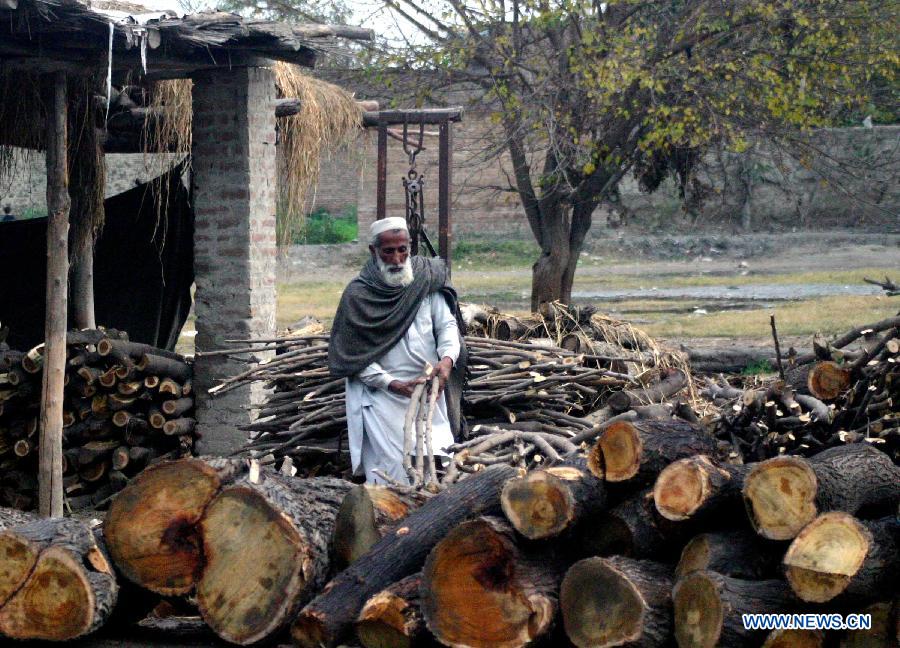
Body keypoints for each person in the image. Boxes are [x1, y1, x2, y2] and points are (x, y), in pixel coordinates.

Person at [328, 217, 466, 484]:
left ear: (410, 247)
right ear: (373, 251)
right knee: (392, 478)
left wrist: (447, 360)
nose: (397, 258)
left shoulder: (426, 282)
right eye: (388, 251)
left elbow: (447, 326)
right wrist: (393, 384)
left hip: (428, 393)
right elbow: (353, 357)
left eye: (402, 249)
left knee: (437, 465)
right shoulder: (358, 295)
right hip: (381, 399)